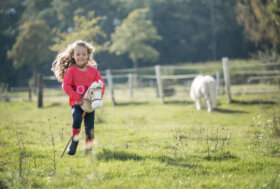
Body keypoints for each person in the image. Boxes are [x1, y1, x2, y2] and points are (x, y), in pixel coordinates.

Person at [51, 40, 105, 155]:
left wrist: (97, 98)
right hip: (77, 103)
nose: (81, 57)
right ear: (73, 55)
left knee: (90, 127)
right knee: (77, 119)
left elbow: (101, 85)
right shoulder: (71, 71)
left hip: (89, 104)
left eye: (84, 54)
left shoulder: (93, 71)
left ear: (88, 55)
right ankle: (74, 142)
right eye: (78, 54)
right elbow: (66, 86)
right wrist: (78, 98)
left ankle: (88, 149)